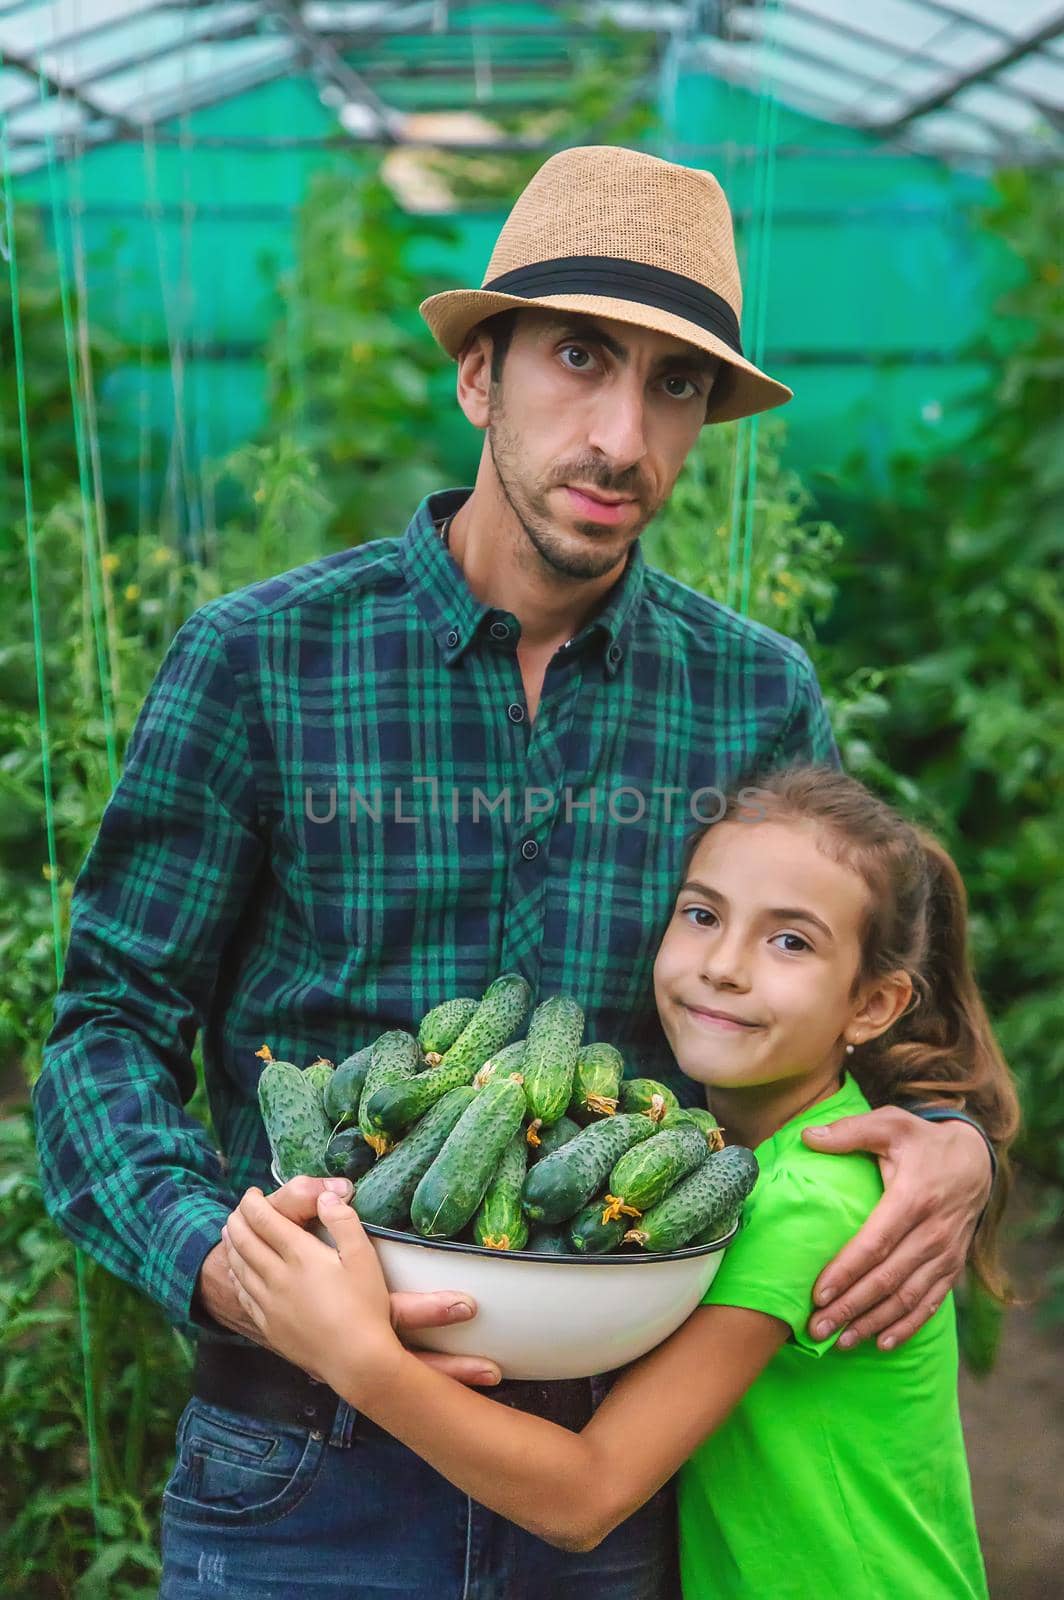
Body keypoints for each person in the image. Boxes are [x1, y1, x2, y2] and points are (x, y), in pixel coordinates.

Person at [33, 146, 998, 1598]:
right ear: (481, 374)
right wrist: (216, 1263)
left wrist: (942, 1132)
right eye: (578, 359)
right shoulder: (261, 662)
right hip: (306, 1462)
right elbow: (102, 1032)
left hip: (616, 1455)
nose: (622, 435)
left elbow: (830, 990)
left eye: (675, 386)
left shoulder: (753, 695)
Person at [224, 763, 1019, 1598]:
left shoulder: (810, 1199)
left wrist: (356, 1358)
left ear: (873, 1005)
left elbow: (586, 1495)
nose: (725, 966)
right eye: (704, 915)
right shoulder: (739, 1168)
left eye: (791, 940)